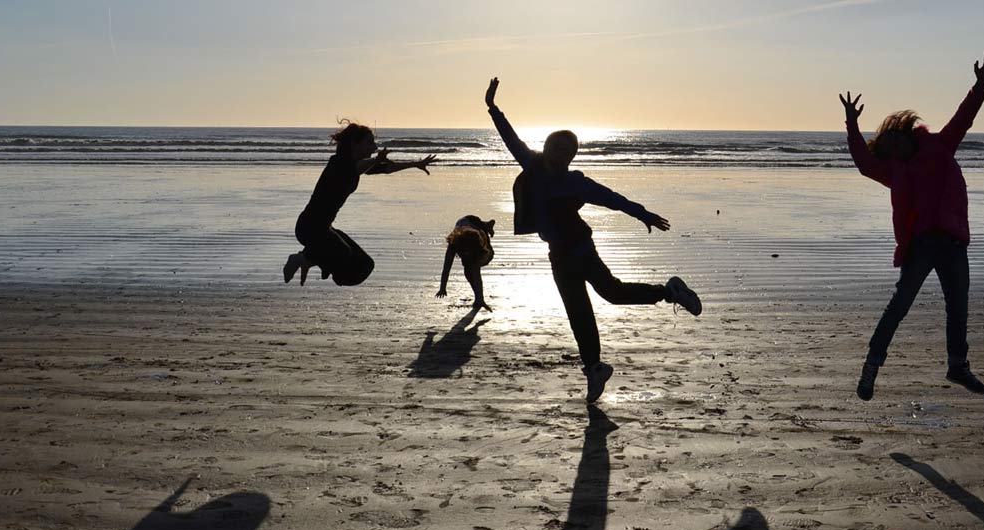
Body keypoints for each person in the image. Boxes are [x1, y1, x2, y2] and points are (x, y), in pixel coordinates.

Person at [485, 77, 702, 403]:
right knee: (579, 315)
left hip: (580, 250)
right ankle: (595, 369)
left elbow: (612, 198)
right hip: (558, 255)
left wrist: (642, 214)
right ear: (546, 147)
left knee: (612, 293)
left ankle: (670, 292)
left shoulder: (576, 182)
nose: (559, 154)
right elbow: (511, 139)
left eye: (566, 151)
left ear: (571, 157)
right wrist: (493, 108)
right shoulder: (532, 165)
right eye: (555, 147)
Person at [840, 50, 984, 401]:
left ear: (904, 134)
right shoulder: (895, 171)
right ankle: (872, 365)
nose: (892, 151)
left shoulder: (940, 145)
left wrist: (979, 86)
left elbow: (964, 118)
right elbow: (864, 163)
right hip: (922, 244)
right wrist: (852, 124)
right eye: (886, 150)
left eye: (891, 143)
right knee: (899, 305)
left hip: (954, 242)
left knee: (958, 307)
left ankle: (957, 366)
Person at [283, 121, 437, 286]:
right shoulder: (338, 163)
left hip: (324, 230)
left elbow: (385, 168)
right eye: (369, 143)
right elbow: (355, 168)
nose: (374, 147)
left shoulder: (357, 164)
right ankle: (304, 258)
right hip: (309, 228)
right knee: (343, 252)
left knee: (365, 265)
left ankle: (313, 259)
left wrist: (414, 164)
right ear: (354, 145)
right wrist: (376, 160)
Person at [436, 215, 496, 312]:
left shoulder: (478, 240)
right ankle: (486, 224)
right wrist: (442, 288)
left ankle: (487, 226)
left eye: (468, 253)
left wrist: (480, 299)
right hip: (465, 221)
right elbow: (446, 268)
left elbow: (477, 274)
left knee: (482, 260)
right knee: (468, 270)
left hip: (476, 225)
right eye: (464, 253)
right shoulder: (453, 245)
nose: (466, 255)